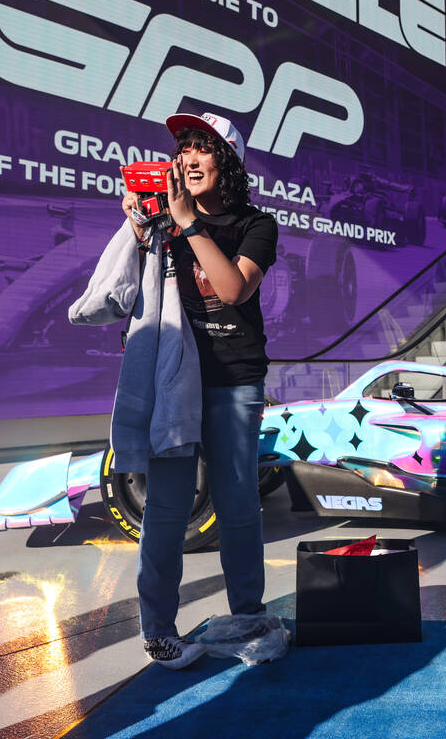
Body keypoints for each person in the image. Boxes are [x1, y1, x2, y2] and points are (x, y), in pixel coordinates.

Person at [127, 112, 278, 668]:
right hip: (175, 381)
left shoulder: (256, 224)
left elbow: (234, 289)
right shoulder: (165, 218)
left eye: (202, 149)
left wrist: (189, 223)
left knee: (238, 499)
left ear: (228, 162)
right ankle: (159, 631)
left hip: (235, 377)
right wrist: (144, 229)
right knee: (167, 505)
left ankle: (247, 614)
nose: (188, 159)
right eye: (183, 149)